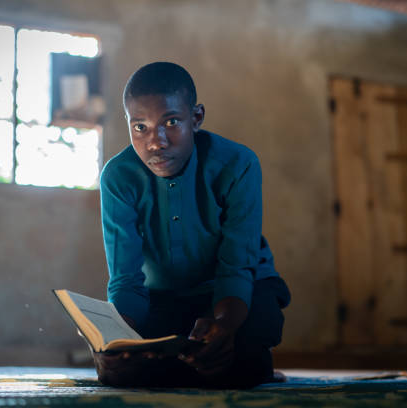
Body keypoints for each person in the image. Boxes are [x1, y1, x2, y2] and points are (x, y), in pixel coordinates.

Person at [95, 62, 290, 388]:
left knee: (248, 345)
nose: (155, 142)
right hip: (165, 298)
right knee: (125, 369)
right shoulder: (118, 177)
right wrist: (116, 343)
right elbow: (126, 281)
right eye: (139, 127)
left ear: (196, 118)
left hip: (237, 293)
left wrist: (224, 326)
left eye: (170, 122)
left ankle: (248, 360)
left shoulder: (238, 164)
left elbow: (237, 268)